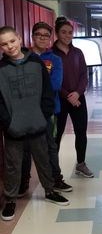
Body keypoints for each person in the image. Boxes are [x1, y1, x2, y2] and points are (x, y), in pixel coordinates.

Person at [0, 26, 70, 221]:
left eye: (12, 41)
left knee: (43, 158)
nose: (10, 46)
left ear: (20, 39)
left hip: (38, 122)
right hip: (14, 127)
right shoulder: (1, 69)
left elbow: (48, 92)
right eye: (4, 44)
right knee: (13, 165)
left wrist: (43, 115)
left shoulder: (37, 63)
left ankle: (50, 191)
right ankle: (11, 200)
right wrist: (7, 123)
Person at [19, 22, 73, 196]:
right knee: (25, 148)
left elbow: (55, 84)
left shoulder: (54, 59)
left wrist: (29, 87)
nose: (42, 38)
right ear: (32, 36)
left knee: (50, 146)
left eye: (45, 35)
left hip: (48, 110)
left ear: (50, 38)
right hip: (24, 111)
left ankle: (56, 178)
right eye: (38, 34)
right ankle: (23, 182)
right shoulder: (22, 56)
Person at [53, 16, 94, 178]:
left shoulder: (78, 53)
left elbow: (84, 75)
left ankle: (81, 164)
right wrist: (67, 95)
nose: (67, 35)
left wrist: (77, 93)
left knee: (81, 132)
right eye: (63, 32)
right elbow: (51, 79)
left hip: (78, 99)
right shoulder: (51, 54)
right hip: (59, 100)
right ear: (56, 33)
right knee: (57, 134)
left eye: (70, 32)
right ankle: (53, 169)